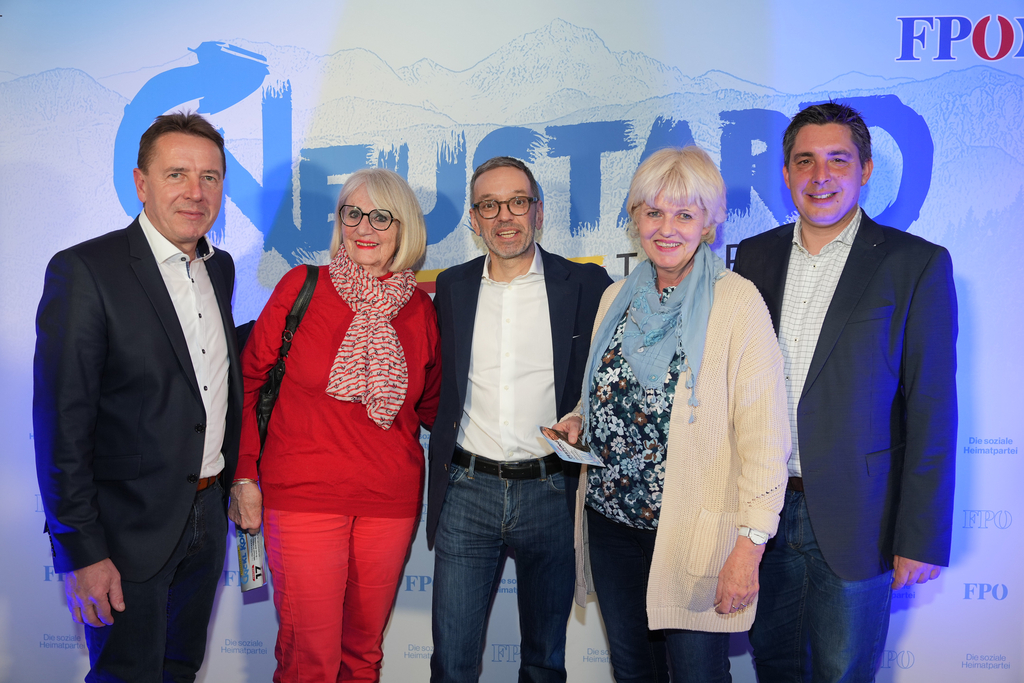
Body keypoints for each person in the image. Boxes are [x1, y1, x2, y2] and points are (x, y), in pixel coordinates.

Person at [733, 102, 958, 682]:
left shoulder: (915, 264)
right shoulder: (753, 257)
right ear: (786, 173)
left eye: (838, 160)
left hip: (861, 518)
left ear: (866, 169)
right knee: (774, 667)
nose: (820, 176)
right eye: (805, 161)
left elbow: (932, 410)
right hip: (762, 511)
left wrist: (920, 536)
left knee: (842, 673)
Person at [554, 147, 790, 683]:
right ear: (635, 217)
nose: (666, 228)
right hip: (611, 523)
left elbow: (765, 437)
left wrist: (749, 548)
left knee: (697, 676)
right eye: (653, 212)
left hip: (693, 534)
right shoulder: (616, 296)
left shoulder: (738, 303)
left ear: (708, 223)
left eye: (684, 214)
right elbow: (607, 391)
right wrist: (578, 420)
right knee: (633, 672)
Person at [34, 111, 241, 681]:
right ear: (141, 182)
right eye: (177, 174)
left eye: (210, 177)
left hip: (207, 516)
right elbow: (61, 425)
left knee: (179, 669)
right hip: (124, 533)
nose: (196, 192)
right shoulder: (84, 271)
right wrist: (82, 551)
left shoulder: (219, 268)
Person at [229, 168, 441, 683]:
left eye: (381, 216)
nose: (364, 227)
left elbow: (434, 407)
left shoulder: (421, 308)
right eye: (353, 213)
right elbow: (248, 384)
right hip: (302, 497)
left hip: (389, 503)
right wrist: (244, 475)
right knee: (310, 661)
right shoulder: (302, 286)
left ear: (404, 227)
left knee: (363, 656)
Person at [426, 156, 612, 683]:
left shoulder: (587, 285)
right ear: (474, 218)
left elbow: (608, 380)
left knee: (544, 661)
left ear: (539, 211)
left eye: (517, 202)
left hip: (552, 493)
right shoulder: (451, 287)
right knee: (452, 663)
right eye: (489, 205)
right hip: (467, 490)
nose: (504, 216)